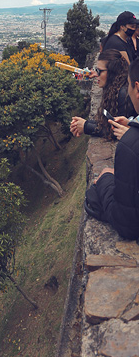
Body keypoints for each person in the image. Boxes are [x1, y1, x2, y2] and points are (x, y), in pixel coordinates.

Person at [84, 56, 139, 239]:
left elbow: (126, 224)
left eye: (130, 84)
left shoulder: (130, 147)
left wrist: (106, 179)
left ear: (137, 88)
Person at [71, 50, 136, 139]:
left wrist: (86, 126)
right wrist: (83, 123)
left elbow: (119, 130)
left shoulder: (123, 93)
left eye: (99, 71)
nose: (96, 74)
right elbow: (110, 123)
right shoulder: (116, 88)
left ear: (111, 72)